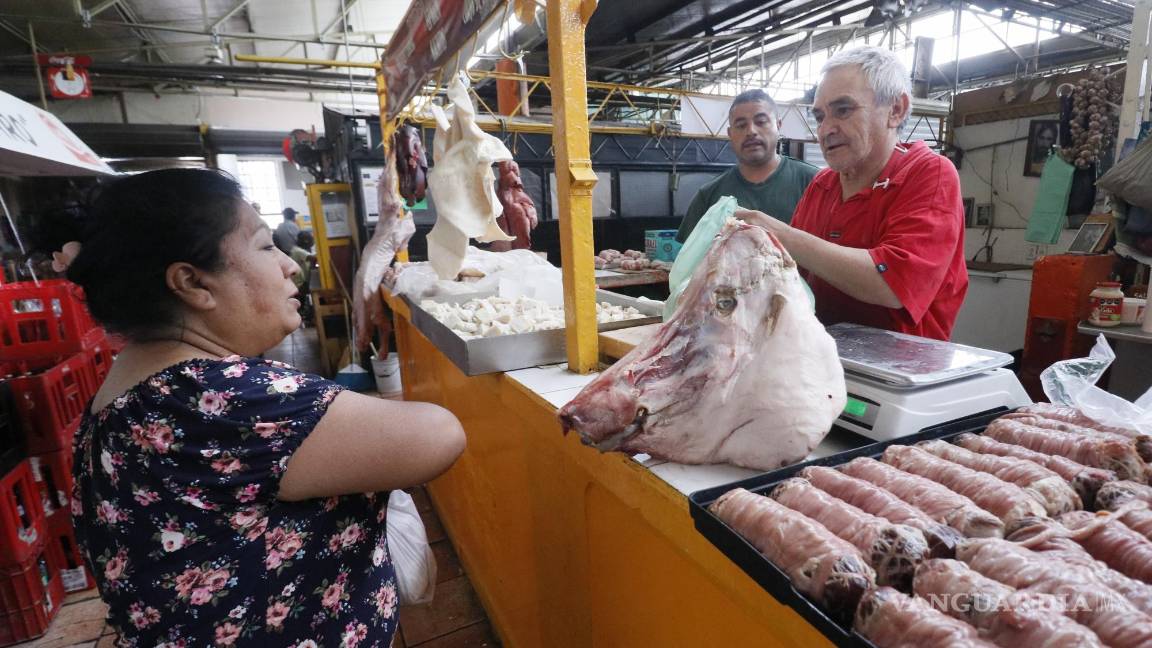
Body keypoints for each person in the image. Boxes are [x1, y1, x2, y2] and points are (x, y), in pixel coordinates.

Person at [49, 169, 465, 646]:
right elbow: (440, 434)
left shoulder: (126, 392)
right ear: (192, 283)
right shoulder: (216, 400)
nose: (289, 265)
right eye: (266, 247)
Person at [735, 47, 968, 341]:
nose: (825, 130)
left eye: (843, 110)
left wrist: (778, 234)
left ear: (895, 110)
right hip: (820, 363)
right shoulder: (823, 185)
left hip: (896, 378)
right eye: (820, 117)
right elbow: (789, 276)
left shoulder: (929, 174)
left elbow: (892, 284)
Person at [676, 89, 819, 243]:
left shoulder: (815, 184)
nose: (751, 131)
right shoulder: (710, 196)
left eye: (761, 122)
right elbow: (689, 261)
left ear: (778, 125)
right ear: (730, 134)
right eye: (741, 125)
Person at [290, 230, 316, 321]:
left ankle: (306, 312)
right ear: (306, 241)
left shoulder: (296, 249)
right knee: (314, 288)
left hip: (299, 282)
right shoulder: (298, 251)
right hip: (299, 284)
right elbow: (314, 258)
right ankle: (308, 314)